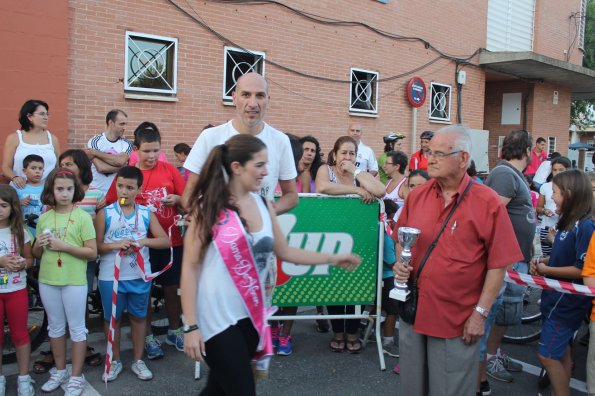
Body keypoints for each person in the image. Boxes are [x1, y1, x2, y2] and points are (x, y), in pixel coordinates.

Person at [180, 134, 361, 395]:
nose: (266, 172)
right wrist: (191, 325)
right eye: (259, 165)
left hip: (251, 317)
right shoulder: (207, 208)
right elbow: (190, 268)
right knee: (242, 389)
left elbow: (285, 251)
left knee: (218, 389)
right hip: (215, 321)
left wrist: (331, 257)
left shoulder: (265, 205)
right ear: (237, 168)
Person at [393, 125, 523, 396]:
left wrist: (480, 314)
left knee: (449, 391)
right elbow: (400, 238)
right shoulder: (417, 196)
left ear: (463, 159)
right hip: (413, 311)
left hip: (457, 320)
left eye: (440, 153)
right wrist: (400, 263)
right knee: (411, 389)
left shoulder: (487, 201)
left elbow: (499, 264)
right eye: (429, 152)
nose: (431, 159)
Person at [105, 122, 186, 360]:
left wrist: (177, 199)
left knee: (172, 290)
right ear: (136, 150)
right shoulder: (128, 175)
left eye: (155, 150)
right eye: (146, 151)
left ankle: (175, 330)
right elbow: (114, 203)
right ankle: (148, 337)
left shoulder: (170, 170)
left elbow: (188, 200)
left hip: (170, 240)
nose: (151, 156)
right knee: (146, 292)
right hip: (136, 246)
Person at [182, 72, 298, 214]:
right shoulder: (209, 137)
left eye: (260, 96)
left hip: (259, 234)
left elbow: (291, 196)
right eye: (246, 95)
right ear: (234, 98)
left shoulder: (281, 141)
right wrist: (206, 221)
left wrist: (265, 215)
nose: (253, 103)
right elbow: (189, 196)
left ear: (268, 99)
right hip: (217, 233)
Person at [96, 166, 170, 382]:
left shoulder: (146, 213)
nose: (124, 191)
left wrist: (142, 242)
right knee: (113, 320)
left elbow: (164, 240)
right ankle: (115, 360)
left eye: (130, 187)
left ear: (138, 189)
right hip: (111, 277)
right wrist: (115, 245)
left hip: (139, 275)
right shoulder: (105, 213)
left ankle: (138, 360)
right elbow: (96, 247)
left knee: (139, 318)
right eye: (120, 186)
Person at [316, 135, 384, 353]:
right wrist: (356, 191)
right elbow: (322, 187)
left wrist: (356, 174)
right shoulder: (326, 170)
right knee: (335, 283)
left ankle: (353, 331)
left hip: (359, 236)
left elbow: (380, 190)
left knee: (358, 283)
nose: (347, 157)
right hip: (333, 235)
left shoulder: (359, 174)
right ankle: (338, 331)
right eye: (343, 152)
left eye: (352, 153)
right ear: (334, 155)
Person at [32, 168, 97, 396]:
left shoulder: (82, 217)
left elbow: (92, 252)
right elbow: (37, 254)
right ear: (51, 190)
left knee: (77, 329)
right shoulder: (44, 218)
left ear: (75, 190)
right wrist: (38, 244)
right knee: (55, 327)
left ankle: (76, 377)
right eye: (60, 189)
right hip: (48, 279)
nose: (65, 193)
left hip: (74, 281)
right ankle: (60, 371)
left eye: (69, 189)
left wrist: (64, 247)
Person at [481, 130, 537, 392]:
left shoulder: (512, 174)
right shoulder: (504, 175)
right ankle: (483, 364)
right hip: (506, 264)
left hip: (514, 261)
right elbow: (491, 217)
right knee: (493, 313)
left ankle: (493, 354)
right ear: (527, 150)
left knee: (504, 313)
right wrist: (504, 256)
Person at [531, 169, 594, 396]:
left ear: (569, 194)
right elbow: (562, 256)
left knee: (546, 355)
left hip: (566, 302)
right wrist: (542, 261)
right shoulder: (570, 222)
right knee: (563, 353)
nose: (552, 197)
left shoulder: (585, 226)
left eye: (555, 192)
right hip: (555, 297)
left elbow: (581, 268)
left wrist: (547, 269)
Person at [0, 186, 35, 396]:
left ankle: (24, 377)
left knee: (20, 335)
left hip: (16, 290)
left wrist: (22, 265)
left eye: (3, 205)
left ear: (13, 207)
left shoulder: (20, 231)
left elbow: (30, 258)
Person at [2, 99, 60, 188]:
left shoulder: (53, 139)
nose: (46, 117)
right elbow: (6, 167)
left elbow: (58, 166)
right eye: (42, 114)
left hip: (47, 192)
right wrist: (15, 177)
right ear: (29, 116)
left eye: (47, 114)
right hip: (21, 190)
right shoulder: (14, 138)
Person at [86, 109, 133, 194]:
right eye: (122, 124)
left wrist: (96, 153)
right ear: (110, 123)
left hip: (116, 195)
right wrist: (122, 168)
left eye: (126, 124)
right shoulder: (95, 141)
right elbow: (101, 168)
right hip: (95, 193)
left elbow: (120, 161)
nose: (125, 127)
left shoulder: (127, 144)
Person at [537, 156, 572, 256]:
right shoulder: (545, 186)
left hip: (564, 228)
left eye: (561, 169)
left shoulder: (573, 187)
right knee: (547, 256)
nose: (557, 172)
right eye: (554, 170)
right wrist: (545, 211)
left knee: (560, 256)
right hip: (547, 227)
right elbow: (538, 208)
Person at [14, 154, 45, 237]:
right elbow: (7, 205)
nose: (37, 171)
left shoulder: (47, 188)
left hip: (41, 230)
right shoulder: (18, 187)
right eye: (33, 168)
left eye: (40, 168)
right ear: (24, 171)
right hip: (21, 231)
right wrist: (20, 203)